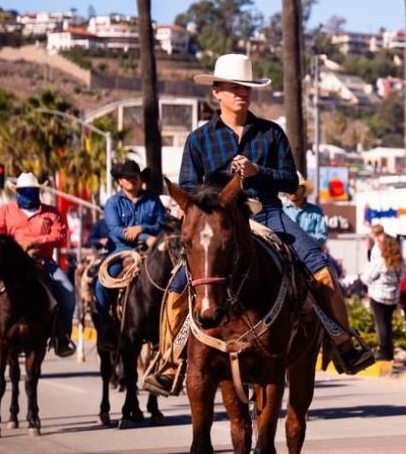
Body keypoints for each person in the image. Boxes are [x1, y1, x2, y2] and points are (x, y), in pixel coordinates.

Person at [142, 54, 375, 396]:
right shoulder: (199, 139)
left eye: (247, 88)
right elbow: (189, 191)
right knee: (178, 285)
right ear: (217, 91)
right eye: (235, 88)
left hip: (268, 214)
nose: (242, 94)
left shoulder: (271, 133)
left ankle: (343, 342)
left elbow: (289, 180)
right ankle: (171, 359)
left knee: (320, 268)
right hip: (218, 223)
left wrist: (256, 172)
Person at [0, 172, 76, 358]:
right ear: (17, 192)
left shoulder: (51, 212)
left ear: (38, 191)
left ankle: (62, 337)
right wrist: (17, 249)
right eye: (23, 191)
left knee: (67, 292)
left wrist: (35, 243)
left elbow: (59, 236)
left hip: (43, 263)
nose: (28, 194)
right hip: (11, 265)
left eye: (32, 191)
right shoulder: (5, 211)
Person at [93, 160, 165, 326]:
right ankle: (105, 325)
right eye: (127, 177)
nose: (132, 180)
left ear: (141, 179)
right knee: (101, 285)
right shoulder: (113, 203)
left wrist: (142, 228)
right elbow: (117, 230)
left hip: (151, 250)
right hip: (120, 250)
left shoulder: (153, 201)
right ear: (120, 181)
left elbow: (162, 224)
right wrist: (145, 237)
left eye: (135, 177)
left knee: (171, 278)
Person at [364, 234, 402, 362]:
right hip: (393, 296)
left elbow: (367, 278)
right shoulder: (399, 261)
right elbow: (401, 277)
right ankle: (389, 351)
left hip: (378, 295)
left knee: (381, 324)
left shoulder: (380, 261)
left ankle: (383, 351)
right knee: (388, 323)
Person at [284, 173, 328, 249]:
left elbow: (322, 236)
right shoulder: (280, 210)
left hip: (309, 252)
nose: (292, 190)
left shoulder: (316, 211)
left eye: (296, 187)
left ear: (303, 189)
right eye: (289, 187)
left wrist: (305, 238)